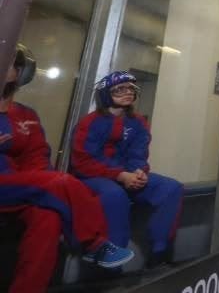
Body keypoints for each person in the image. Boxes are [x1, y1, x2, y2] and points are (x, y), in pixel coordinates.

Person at [0, 45, 135, 292]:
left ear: (20, 73)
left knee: (48, 217)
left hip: (20, 190)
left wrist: (38, 180)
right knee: (59, 183)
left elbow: (37, 157)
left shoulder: (25, 114)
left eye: (10, 63)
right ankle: (93, 243)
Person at [71, 71, 183, 267]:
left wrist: (139, 171)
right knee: (114, 194)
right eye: (120, 89)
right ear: (106, 94)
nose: (128, 92)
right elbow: (82, 162)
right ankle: (111, 257)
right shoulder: (90, 122)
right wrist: (120, 175)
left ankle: (159, 252)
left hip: (127, 174)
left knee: (171, 188)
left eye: (131, 88)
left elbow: (138, 153)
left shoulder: (138, 122)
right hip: (93, 176)